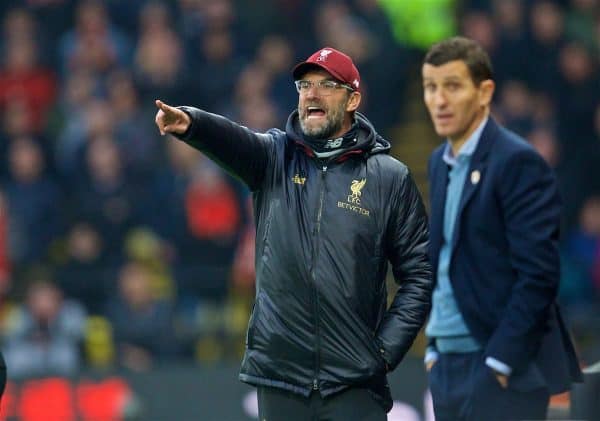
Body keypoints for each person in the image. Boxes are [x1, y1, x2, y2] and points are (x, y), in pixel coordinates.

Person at [155, 47, 432, 420]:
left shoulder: (388, 178)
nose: (312, 94)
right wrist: (192, 124)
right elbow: (233, 139)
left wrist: (383, 352)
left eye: (327, 85)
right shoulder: (274, 157)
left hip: (354, 383)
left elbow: (420, 275)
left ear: (353, 98)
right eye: (305, 85)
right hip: (280, 380)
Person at [421, 36, 583, 421]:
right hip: (447, 363)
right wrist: (432, 348)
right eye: (431, 87)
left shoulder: (518, 162)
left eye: (453, 86)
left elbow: (539, 275)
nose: (439, 100)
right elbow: (442, 256)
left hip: (496, 366)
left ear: (484, 92)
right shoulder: (437, 161)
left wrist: (500, 362)